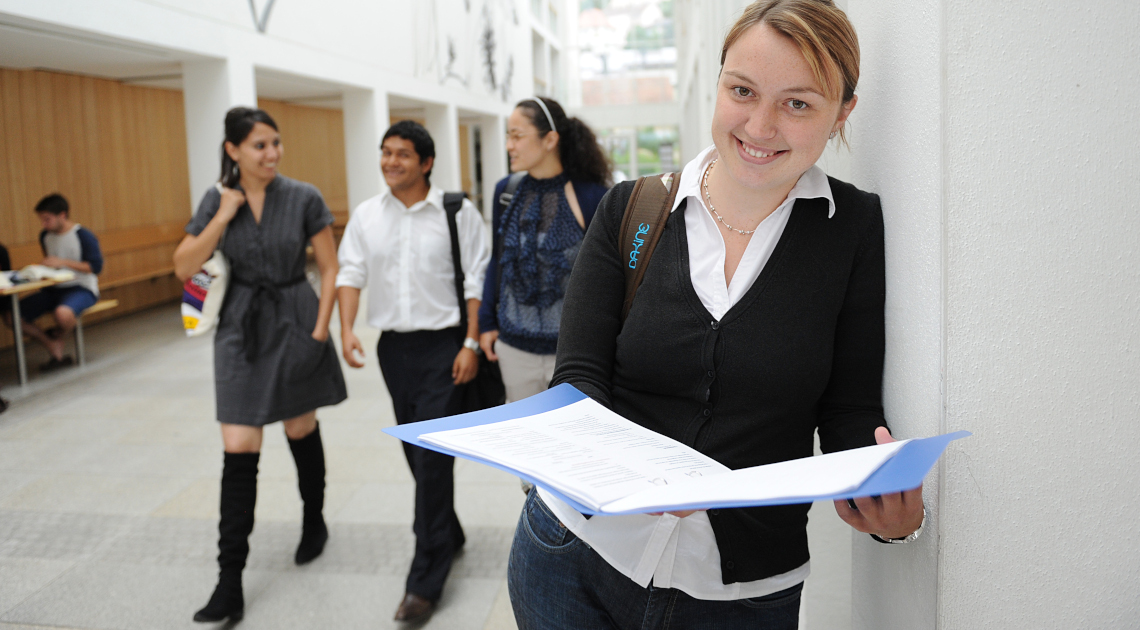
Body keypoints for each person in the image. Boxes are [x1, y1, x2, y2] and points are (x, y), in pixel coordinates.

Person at [507, 1, 926, 628]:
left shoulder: (853, 228)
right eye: (742, 91)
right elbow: (579, 377)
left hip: (743, 596)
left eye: (798, 103)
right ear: (720, 82)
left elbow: (848, 410)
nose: (759, 126)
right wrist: (631, 472)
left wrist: (888, 508)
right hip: (574, 556)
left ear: (844, 113)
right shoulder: (632, 209)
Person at [173, 107, 347, 623]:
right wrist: (223, 216)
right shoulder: (215, 199)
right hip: (239, 329)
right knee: (239, 446)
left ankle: (313, 519)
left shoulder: (304, 196)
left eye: (276, 143)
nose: (271, 154)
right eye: (259, 146)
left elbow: (330, 265)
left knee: (300, 426)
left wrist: (320, 331)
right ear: (233, 150)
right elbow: (185, 267)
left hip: (296, 319)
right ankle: (230, 580)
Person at [336, 120, 490, 623]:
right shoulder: (367, 215)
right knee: (414, 451)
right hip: (394, 351)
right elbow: (350, 271)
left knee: (430, 459)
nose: (390, 162)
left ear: (426, 163)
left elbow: (476, 277)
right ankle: (448, 530)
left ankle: (425, 579)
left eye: (402, 154)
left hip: (445, 347)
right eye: (385, 153)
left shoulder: (456, 212)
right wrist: (347, 329)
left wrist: (469, 341)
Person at [478, 97, 610, 403]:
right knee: (523, 443)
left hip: (574, 355)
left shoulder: (592, 197)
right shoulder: (505, 192)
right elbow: (498, 259)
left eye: (517, 136)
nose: (509, 145)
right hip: (513, 350)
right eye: (508, 136)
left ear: (550, 139)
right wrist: (487, 322)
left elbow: (609, 276)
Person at [16, 194, 103, 370]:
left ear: (62, 215)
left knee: (62, 313)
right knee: (13, 315)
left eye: (47, 219)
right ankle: (50, 343)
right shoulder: (45, 236)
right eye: (42, 220)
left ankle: (58, 333)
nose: (44, 224)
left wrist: (63, 262)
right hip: (53, 288)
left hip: (81, 287)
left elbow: (96, 266)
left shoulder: (82, 235)